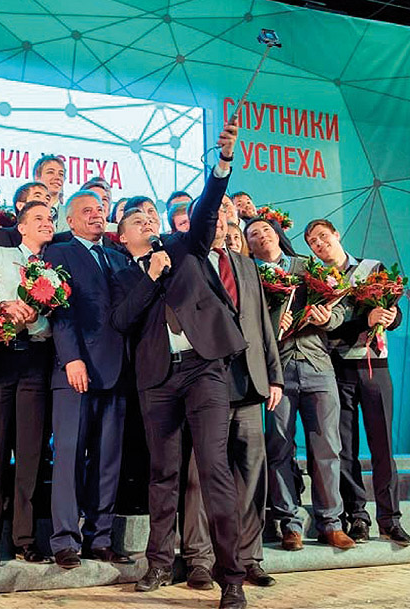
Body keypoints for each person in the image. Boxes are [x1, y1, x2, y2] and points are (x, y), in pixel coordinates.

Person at [110, 122, 248, 609]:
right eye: (137, 219)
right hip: (157, 379)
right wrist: (149, 277)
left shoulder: (183, 247)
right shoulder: (121, 274)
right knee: (162, 473)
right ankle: (158, 564)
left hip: (204, 368)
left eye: (151, 215)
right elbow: (121, 321)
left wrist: (222, 165)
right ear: (121, 235)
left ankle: (232, 578)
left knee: (214, 468)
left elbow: (207, 211)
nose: (148, 221)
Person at [181, 202, 284, 590]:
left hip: (250, 383)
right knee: (201, 475)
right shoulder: (189, 262)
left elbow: (262, 326)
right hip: (206, 381)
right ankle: (200, 559)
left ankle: (247, 557)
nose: (221, 223)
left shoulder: (245, 265)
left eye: (226, 217)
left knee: (252, 473)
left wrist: (274, 376)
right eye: (214, 217)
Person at [245, 216, 355, 552]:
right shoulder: (248, 276)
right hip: (276, 373)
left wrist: (329, 317)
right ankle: (289, 524)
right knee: (279, 447)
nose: (262, 235)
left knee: (327, 447)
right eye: (253, 233)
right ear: (248, 244)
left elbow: (341, 308)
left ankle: (331, 523)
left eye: (266, 229)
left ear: (278, 234)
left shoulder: (307, 266)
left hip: (318, 365)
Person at [305, 219, 410, 546]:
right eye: (313, 242)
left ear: (336, 235)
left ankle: (390, 519)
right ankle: (357, 517)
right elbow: (327, 328)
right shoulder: (317, 281)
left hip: (374, 367)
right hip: (337, 368)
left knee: (383, 446)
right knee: (345, 448)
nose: (320, 243)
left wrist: (391, 318)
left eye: (323, 236)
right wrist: (364, 320)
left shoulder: (371, 268)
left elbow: (392, 312)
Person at [44, 189, 131, 570]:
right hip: (75, 370)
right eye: (87, 210)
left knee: (108, 459)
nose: (96, 215)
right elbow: (59, 310)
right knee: (69, 456)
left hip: (117, 370)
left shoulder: (117, 258)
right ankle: (65, 539)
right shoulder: (59, 253)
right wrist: (72, 358)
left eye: (100, 209)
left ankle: (101, 537)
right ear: (70, 220)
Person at [0, 201, 55, 566]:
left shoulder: (53, 270)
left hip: (35, 360)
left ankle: (25, 537)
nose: (47, 223)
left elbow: (52, 328)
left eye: (50, 218)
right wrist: (5, 309)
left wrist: (34, 320)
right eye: (38, 218)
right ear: (20, 226)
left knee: (31, 453)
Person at [33, 155, 68, 232]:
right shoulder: (24, 212)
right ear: (37, 177)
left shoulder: (72, 214)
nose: (57, 178)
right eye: (50, 172)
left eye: (61, 174)